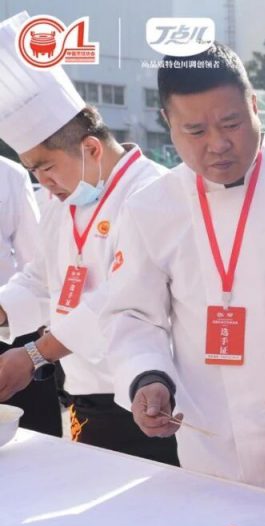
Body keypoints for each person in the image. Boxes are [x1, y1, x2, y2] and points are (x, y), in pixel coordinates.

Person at [102, 44, 265, 501]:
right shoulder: (150, 207)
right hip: (210, 442)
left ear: (253, 106)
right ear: (168, 122)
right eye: (195, 130)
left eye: (231, 124)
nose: (216, 144)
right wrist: (147, 377)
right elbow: (132, 314)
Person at [0, 12, 171, 459]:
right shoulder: (62, 201)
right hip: (84, 393)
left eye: (46, 167)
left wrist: (35, 354)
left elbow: (118, 298)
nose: (42, 182)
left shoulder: (153, 192)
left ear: (90, 148)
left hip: (146, 400)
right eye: (33, 170)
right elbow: (41, 279)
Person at [0, 154, 61, 437]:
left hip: (9, 328)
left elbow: (35, 261)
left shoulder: (10, 173)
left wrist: (41, 343)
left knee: (32, 435)